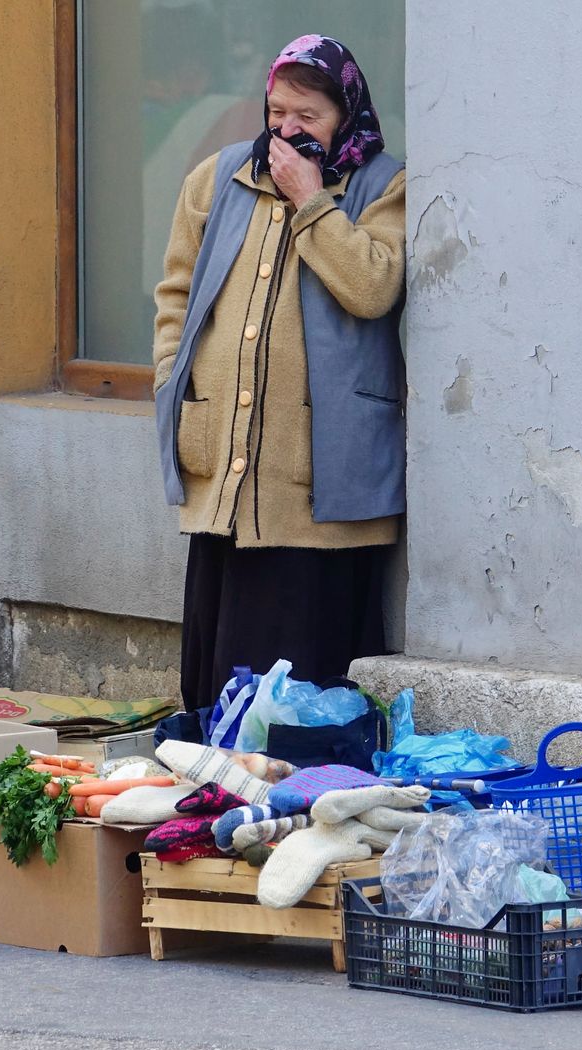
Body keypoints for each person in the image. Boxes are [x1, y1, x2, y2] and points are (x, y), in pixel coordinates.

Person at [153, 36, 406, 712]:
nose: (288, 132)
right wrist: (171, 393)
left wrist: (312, 202)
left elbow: (373, 288)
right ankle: (220, 808)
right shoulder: (218, 178)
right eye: (276, 113)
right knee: (217, 687)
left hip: (317, 487)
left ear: (345, 114)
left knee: (296, 702)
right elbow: (175, 297)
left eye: (308, 117)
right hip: (226, 478)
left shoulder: (384, 186)